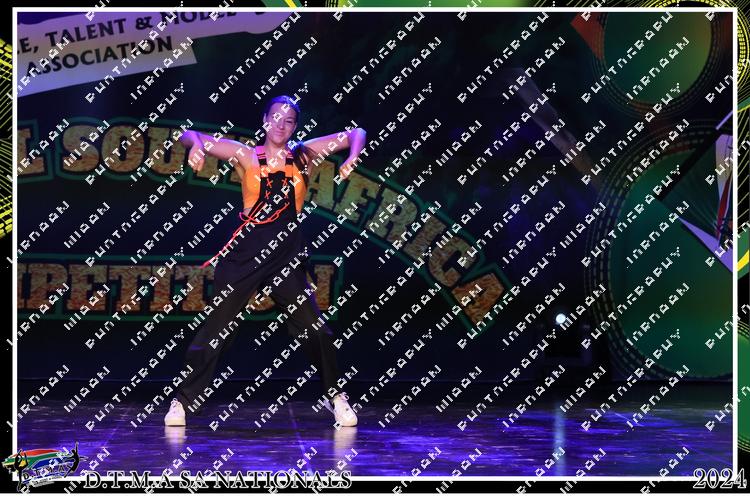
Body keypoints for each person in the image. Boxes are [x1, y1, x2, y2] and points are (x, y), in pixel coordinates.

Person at [164, 95, 366, 428]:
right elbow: (189, 134)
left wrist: (353, 155)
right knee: (216, 327)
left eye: (288, 121)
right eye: (275, 118)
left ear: (295, 127)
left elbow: (357, 133)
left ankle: (336, 396)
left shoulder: (305, 154)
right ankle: (182, 402)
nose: (280, 125)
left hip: (287, 252)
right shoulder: (245, 154)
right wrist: (196, 147)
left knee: (316, 329)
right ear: (264, 120)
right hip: (246, 252)